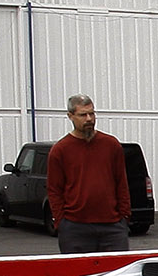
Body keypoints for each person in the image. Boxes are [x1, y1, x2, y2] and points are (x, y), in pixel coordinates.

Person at [44, 93, 131, 253]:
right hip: (75, 228)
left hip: (112, 228)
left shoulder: (111, 145)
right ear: (70, 116)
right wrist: (61, 222)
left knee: (115, 275)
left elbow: (121, 183)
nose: (89, 119)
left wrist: (123, 217)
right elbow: (54, 190)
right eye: (83, 115)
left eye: (92, 113)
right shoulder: (60, 150)